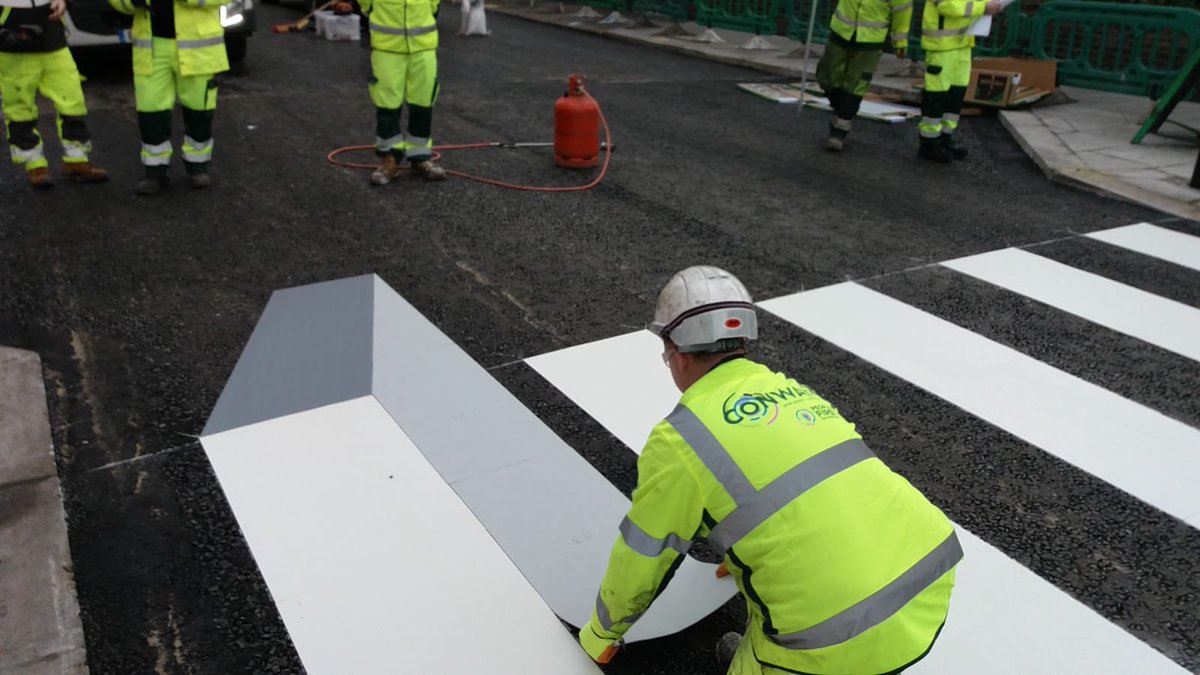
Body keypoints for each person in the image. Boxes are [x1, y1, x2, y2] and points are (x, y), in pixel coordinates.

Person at [578, 265, 962, 674]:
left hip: (830, 638)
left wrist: (602, 633)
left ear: (676, 352)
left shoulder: (681, 439)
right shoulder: (790, 390)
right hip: (926, 588)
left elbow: (644, 555)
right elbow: (788, 494)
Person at [109, 0, 230, 194]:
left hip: (197, 48)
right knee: (150, 110)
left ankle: (198, 166)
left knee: (200, 109)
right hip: (152, 47)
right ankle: (155, 171)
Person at [0, 0, 108, 189]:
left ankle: (76, 160)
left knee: (71, 99)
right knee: (19, 108)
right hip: (12, 43)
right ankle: (35, 165)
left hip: (52, 37)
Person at [360, 0, 446, 185]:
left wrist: (429, 10)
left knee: (423, 102)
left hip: (423, 45)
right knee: (387, 105)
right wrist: (371, 8)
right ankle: (389, 160)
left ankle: (420, 157)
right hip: (387, 46)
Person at [815, 0, 912, 152]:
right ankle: (841, 109)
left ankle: (839, 131)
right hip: (841, 30)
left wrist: (899, 41)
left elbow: (902, 10)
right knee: (827, 77)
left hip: (870, 39)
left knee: (856, 85)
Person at [918, 0, 1003, 162]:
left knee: (956, 94)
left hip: (962, 44)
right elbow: (947, 6)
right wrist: (984, 7)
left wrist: (990, 6)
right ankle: (929, 142)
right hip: (941, 46)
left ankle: (945, 136)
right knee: (937, 95)